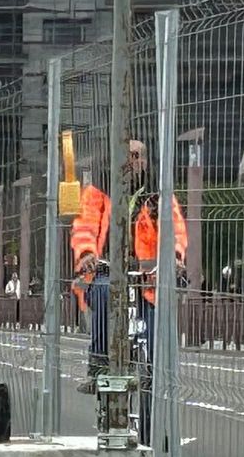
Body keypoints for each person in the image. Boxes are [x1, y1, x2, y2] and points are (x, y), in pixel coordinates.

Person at [70, 140, 189, 394]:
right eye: (126, 156)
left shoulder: (158, 195)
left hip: (147, 276)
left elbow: (175, 228)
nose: (132, 161)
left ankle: (158, 377)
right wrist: (87, 254)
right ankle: (99, 364)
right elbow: (85, 227)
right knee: (102, 294)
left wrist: (176, 257)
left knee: (156, 325)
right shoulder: (97, 192)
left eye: (137, 156)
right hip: (106, 271)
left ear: (145, 161)